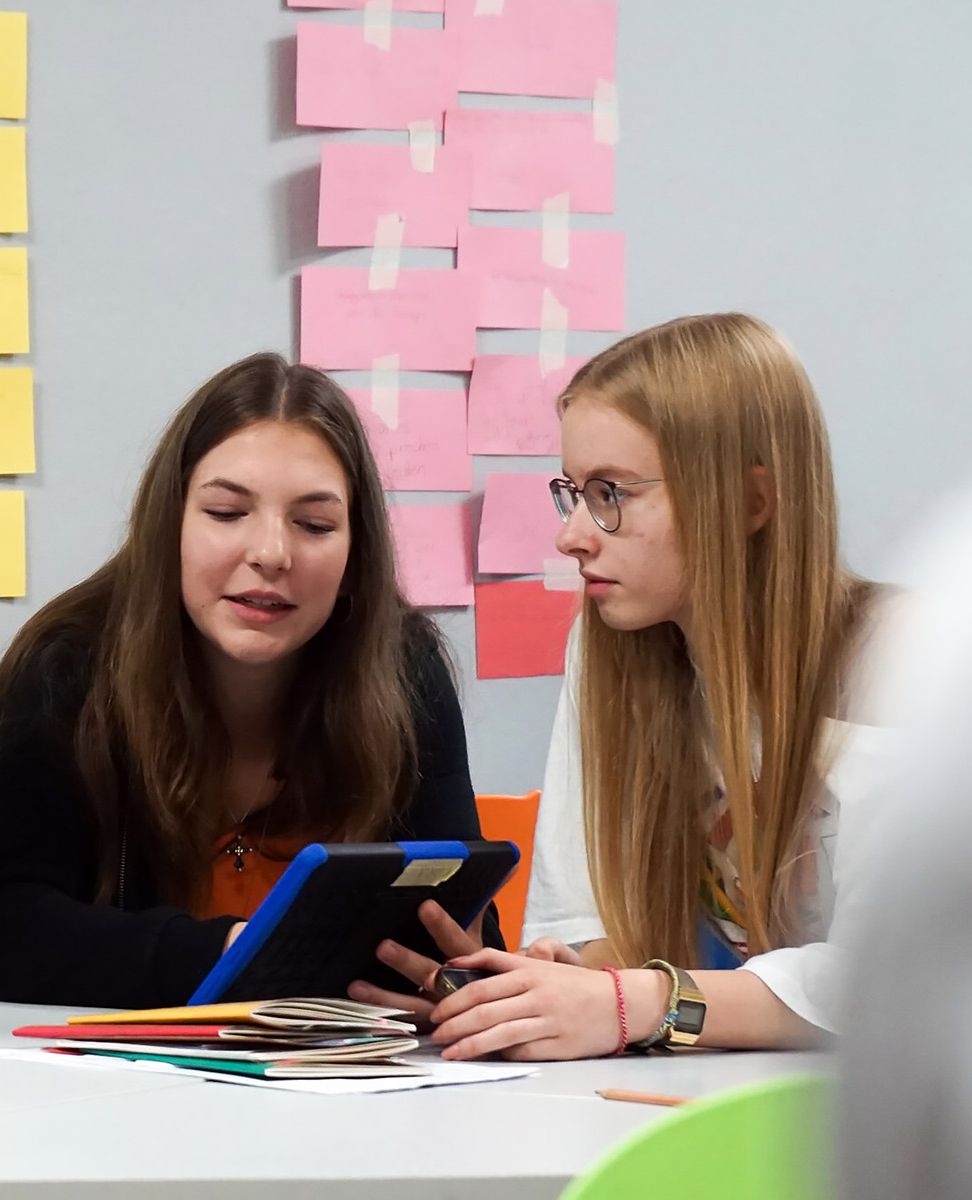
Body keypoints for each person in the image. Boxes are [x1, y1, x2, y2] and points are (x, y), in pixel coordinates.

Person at [372, 313, 892, 1061]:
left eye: (611, 493)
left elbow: (884, 980)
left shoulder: (900, 661)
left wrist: (634, 1002)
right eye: (574, 492)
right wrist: (540, 987)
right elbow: (588, 924)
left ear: (751, 504)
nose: (573, 534)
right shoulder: (610, 645)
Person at [0, 351, 496, 1010]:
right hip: (115, 1090)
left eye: (315, 524)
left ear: (356, 554)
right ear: (169, 523)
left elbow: (456, 928)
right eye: (227, 513)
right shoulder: (71, 665)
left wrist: (468, 982)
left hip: (341, 1086)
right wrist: (231, 954)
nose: (270, 553)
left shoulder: (402, 669)